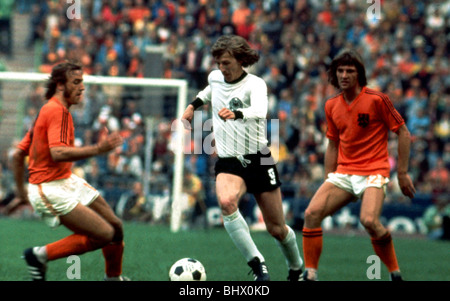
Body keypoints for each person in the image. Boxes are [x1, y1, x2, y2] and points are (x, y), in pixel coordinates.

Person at [181, 35, 304, 281]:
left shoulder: (255, 84)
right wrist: (193, 105)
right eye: (218, 63)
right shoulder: (216, 78)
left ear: (240, 60)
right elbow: (209, 91)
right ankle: (259, 266)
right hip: (229, 159)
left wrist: (235, 114)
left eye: (226, 63)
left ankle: (296, 268)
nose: (221, 68)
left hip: (260, 158)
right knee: (226, 202)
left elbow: (261, 111)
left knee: (277, 229)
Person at [301, 49, 416, 281]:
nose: (344, 75)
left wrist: (402, 173)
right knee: (311, 213)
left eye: (350, 71)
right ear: (334, 74)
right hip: (344, 172)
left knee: (369, 221)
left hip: (374, 171)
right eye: (340, 71)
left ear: (359, 74)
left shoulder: (377, 99)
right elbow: (332, 144)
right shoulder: (331, 105)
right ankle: (310, 274)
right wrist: (328, 178)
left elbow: (403, 132)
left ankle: (395, 274)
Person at [11, 61, 128, 281]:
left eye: (82, 82)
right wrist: (98, 149)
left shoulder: (49, 110)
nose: (82, 87)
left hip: (64, 180)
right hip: (49, 187)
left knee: (116, 227)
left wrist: (20, 193)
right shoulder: (56, 111)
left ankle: (113, 278)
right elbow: (58, 153)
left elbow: (18, 155)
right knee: (104, 234)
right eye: (76, 82)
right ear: (60, 85)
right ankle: (39, 255)